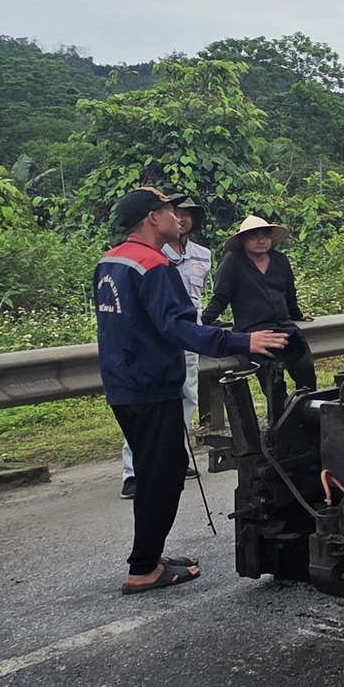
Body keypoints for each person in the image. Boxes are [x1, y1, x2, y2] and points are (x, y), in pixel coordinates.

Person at [96, 187, 283, 594]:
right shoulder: (153, 266)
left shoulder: (110, 261)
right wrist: (241, 342)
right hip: (151, 387)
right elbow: (179, 328)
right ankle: (144, 567)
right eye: (168, 209)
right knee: (162, 477)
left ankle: (151, 554)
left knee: (150, 471)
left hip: (122, 385)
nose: (176, 216)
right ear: (151, 218)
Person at [119, 193, 212, 499]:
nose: (180, 218)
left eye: (186, 214)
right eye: (174, 211)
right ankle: (133, 472)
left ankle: (176, 455)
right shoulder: (154, 255)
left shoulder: (203, 254)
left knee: (186, 398)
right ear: (154, 218)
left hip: (188, 336)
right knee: (149, 407)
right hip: (157, 339)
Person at [205, 214, 318, 415]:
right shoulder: (232, 264)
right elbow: (220, 299)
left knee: (306, 374)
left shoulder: (280, 260)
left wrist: (297, 314)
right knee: (273, 385)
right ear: (243, 240)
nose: (260, 240)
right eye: (254, 236)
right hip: (255, 333)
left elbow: (289, 293)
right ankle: (281, 428)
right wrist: (200, 322)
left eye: (264, 235)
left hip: (285, 328)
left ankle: (310, 421)